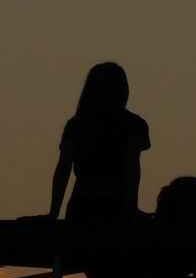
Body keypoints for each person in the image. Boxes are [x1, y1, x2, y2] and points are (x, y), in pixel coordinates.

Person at [49, 61, 150, 222]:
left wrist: (53, 212)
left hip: (81, 202)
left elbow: (63, 167)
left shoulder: (76, 125)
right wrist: (132, 207)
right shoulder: (134, 124)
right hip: (115, 203)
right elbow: (131, 165)